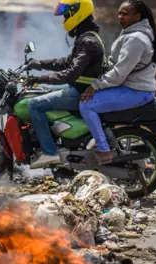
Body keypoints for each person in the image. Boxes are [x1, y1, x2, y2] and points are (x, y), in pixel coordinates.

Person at [78, 0, 156, 165]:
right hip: (132, 88)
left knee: (86, 104)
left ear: (137, 16)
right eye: (119, 13)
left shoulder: (136, 40)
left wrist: (95, 86)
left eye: (125, 14)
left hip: (135, 91)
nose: (120, 17)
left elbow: (119, 74)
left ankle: (104, 150)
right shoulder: (132, 33)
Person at [23, 0, 106, 169]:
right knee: (42, 93)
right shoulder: (86, 37)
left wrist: (41, 78)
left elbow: (70, 73)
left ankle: (49, 152)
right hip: (78, 88)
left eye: (66, 14)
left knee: (34, 105)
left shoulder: (87, 42)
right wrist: (39, 64)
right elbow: (66, 62)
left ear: (77, 12)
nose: (64, 19)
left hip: (79, 92)